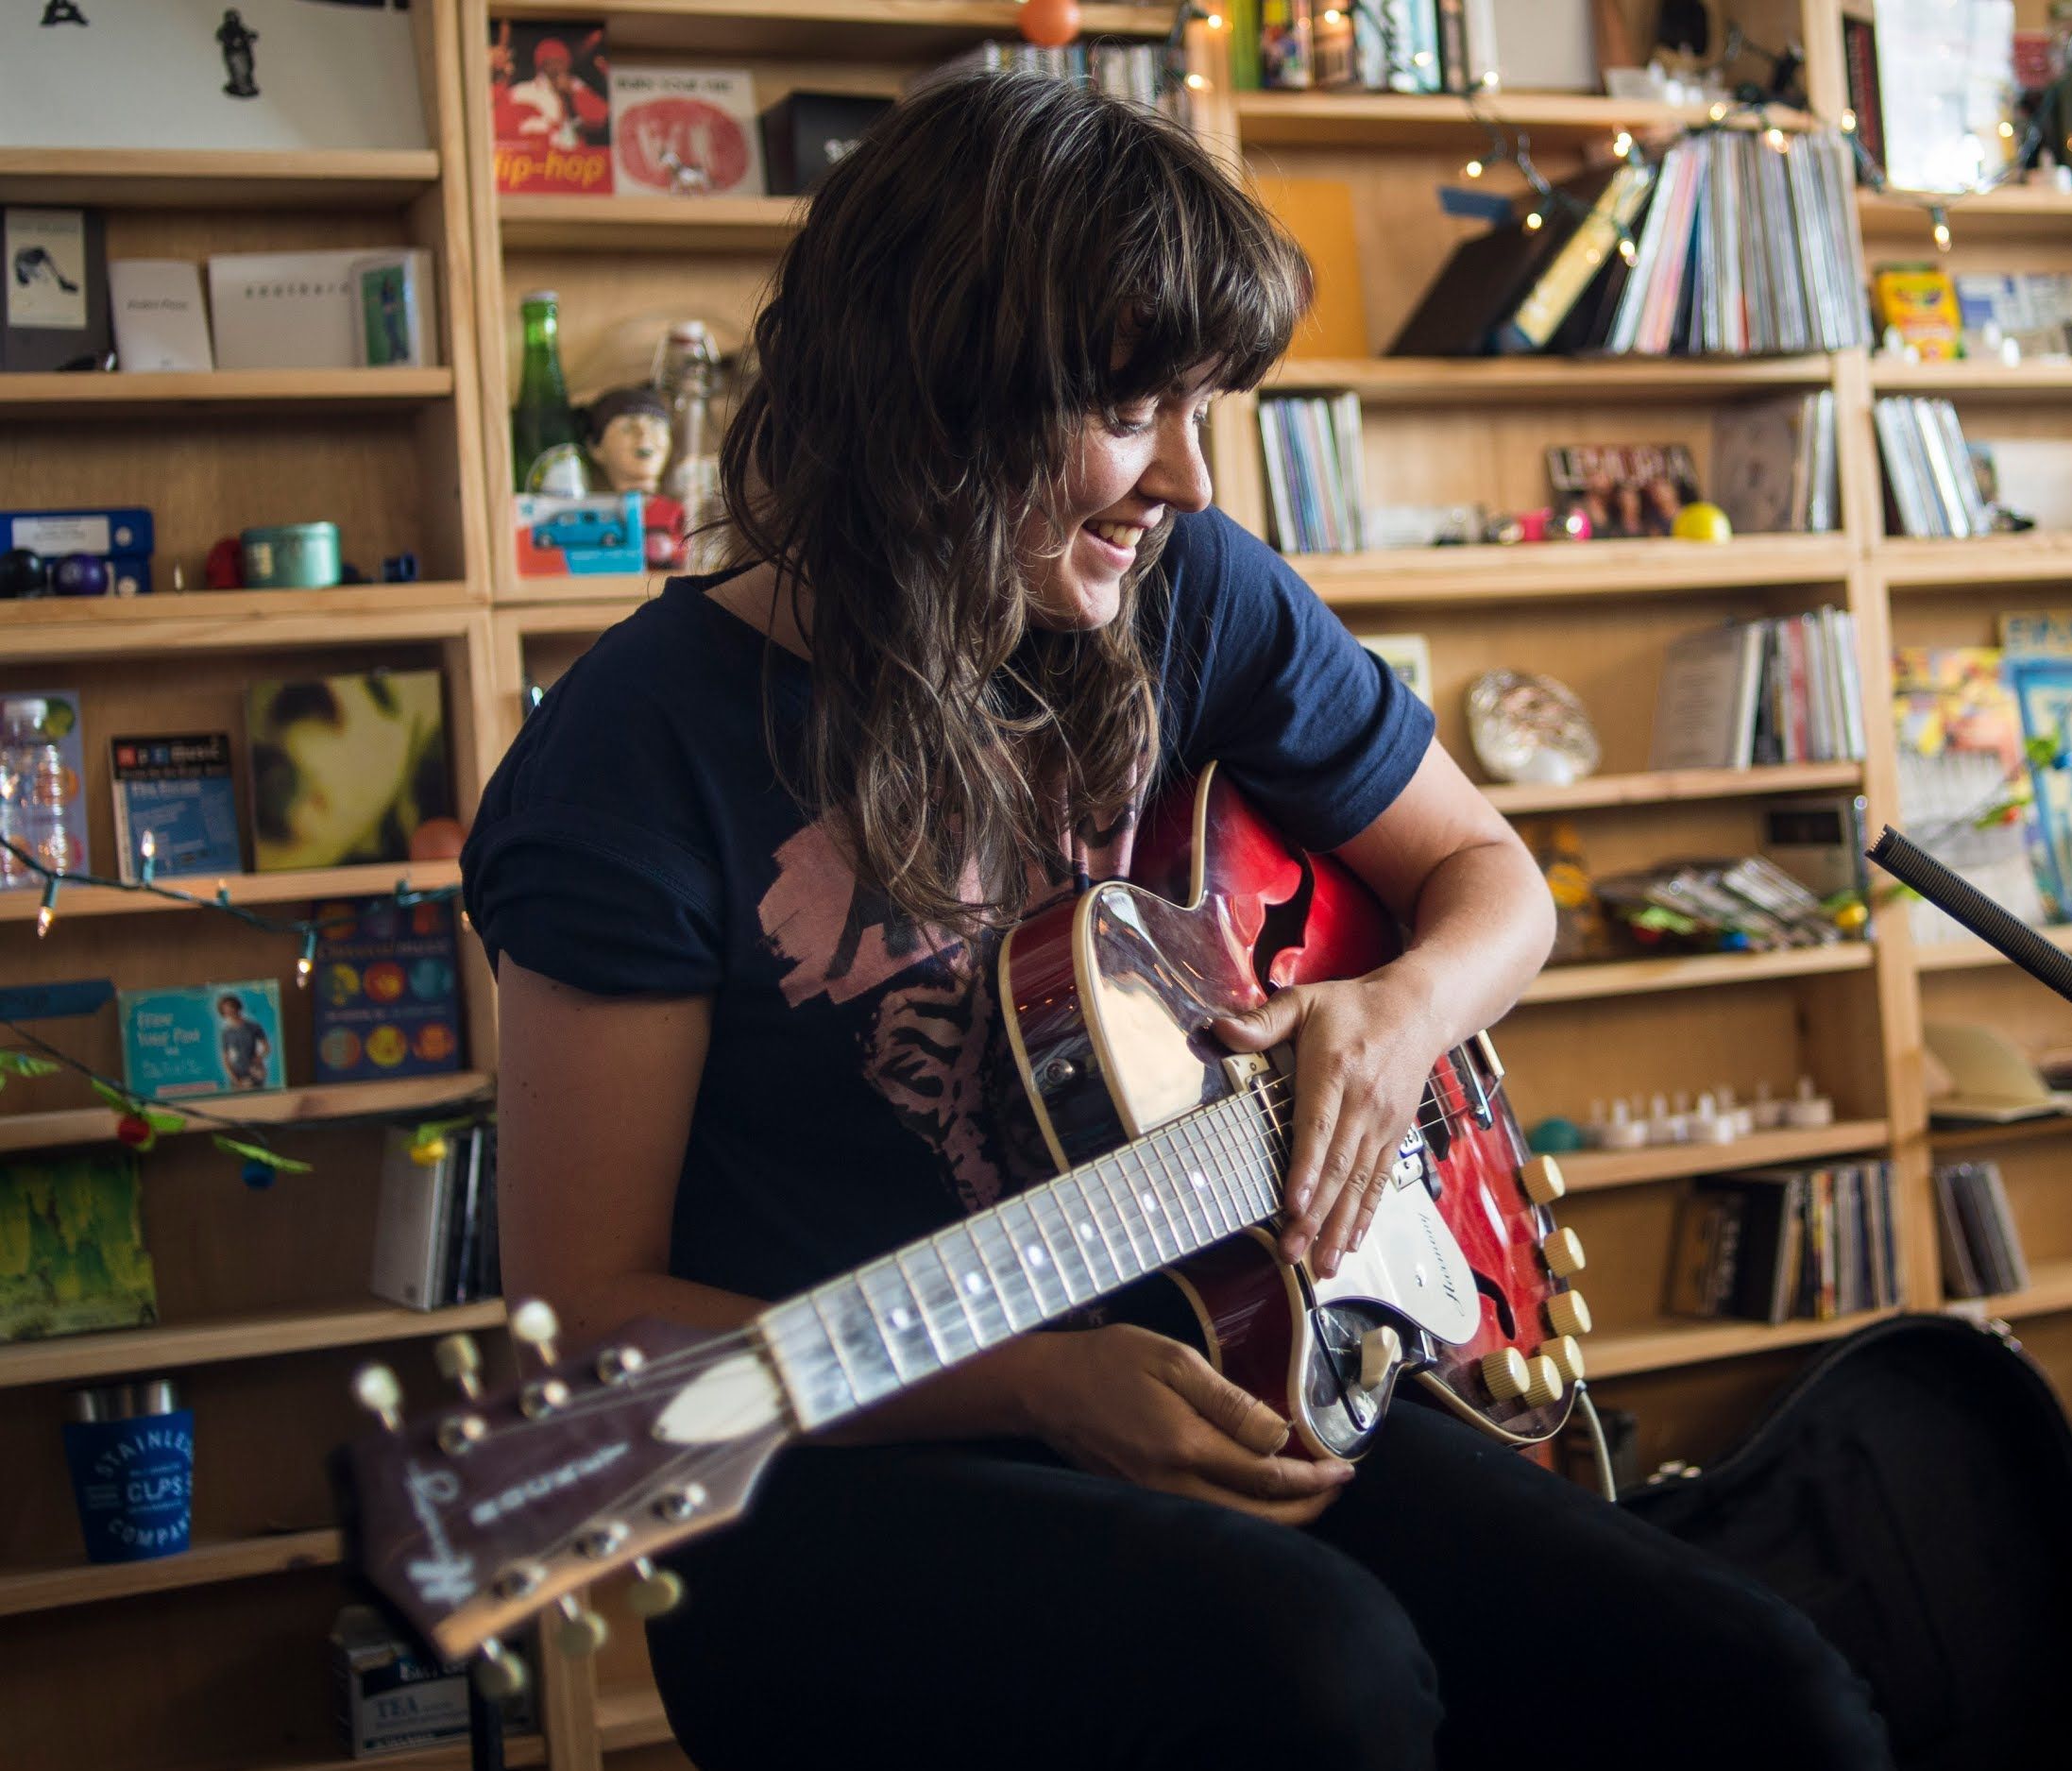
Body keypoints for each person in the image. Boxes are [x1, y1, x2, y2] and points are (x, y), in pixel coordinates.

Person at [460, 71, 1887, 1771]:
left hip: (1219, 1357)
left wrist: (1403, 1010)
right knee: (1325, 1678)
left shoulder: (1184, 594)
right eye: (1137, 412)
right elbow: (587, 1345)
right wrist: (1029, 1381)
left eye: (1206, 408)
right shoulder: (630, 761)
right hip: (834, 1476)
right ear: (933, 397)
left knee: (1765, 1694)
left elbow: (1494, 887)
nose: (1194, 483)